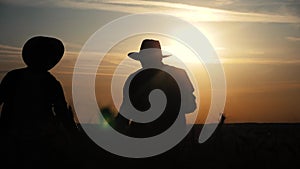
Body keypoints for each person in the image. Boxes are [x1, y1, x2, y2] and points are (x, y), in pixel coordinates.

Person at [0, 36, 77, 168]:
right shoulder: (51, 82)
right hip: (39, 139)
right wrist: (74, 134)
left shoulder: (14, 76)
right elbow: (62, 112)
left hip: (12, 136)